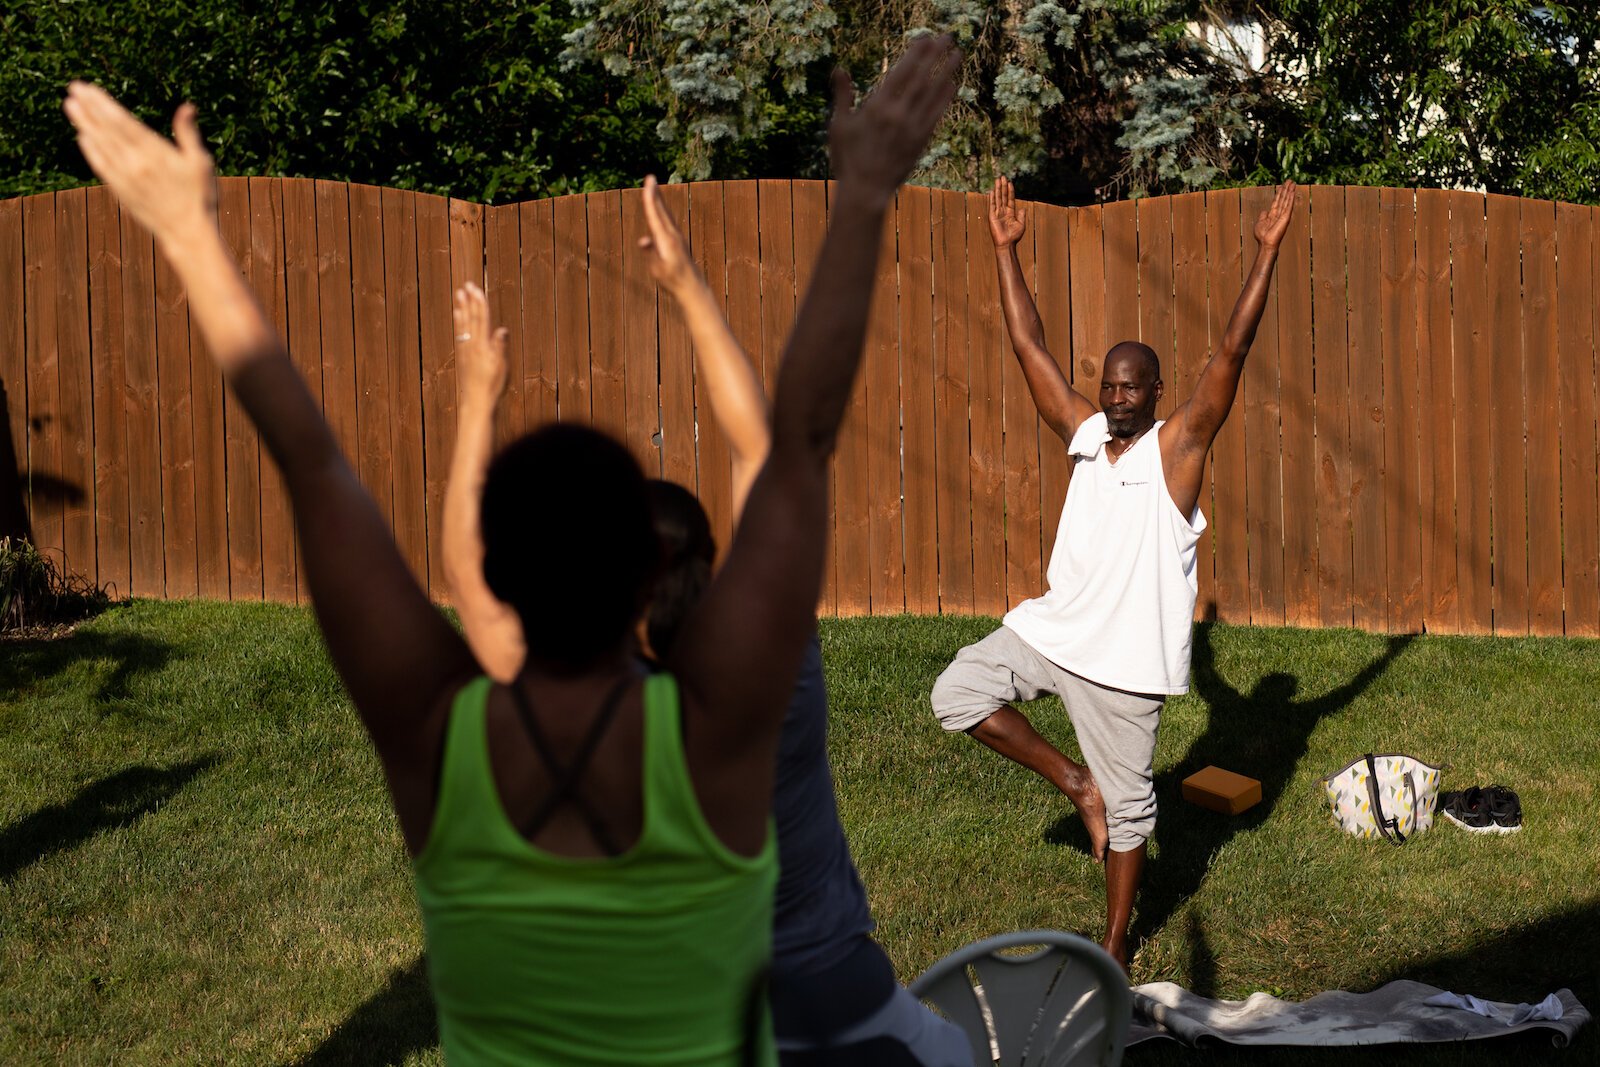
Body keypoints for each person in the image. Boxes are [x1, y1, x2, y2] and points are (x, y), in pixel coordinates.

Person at [64, 35, 958, 1066]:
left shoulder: (443, 748)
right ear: (645, 573)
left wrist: (187, 234)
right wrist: (862, 200)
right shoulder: (718, 738)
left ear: (492, 576)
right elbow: (791, 442)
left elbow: (314, 467)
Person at [443, 174, 970, 1066]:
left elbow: (468, 576)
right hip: (858, 1012)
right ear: (712, 566)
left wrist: (477, 401)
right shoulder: (777, 674)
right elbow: (760, 449)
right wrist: (687, 287)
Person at [930, 175, 1297, 971]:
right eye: (1110, 383)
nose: (1117, 396)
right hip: (1057, 632)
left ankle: (1116, 937)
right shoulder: (1087, 435)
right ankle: (1075, 783)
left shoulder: (1180, 449)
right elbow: (1029, 348)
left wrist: (1264, 255)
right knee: (956, 691)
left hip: (1126, 666)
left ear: (1158, 393)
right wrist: (1006, 252)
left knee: (1134, 816)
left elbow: (1231, 352)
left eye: (1133, 386)